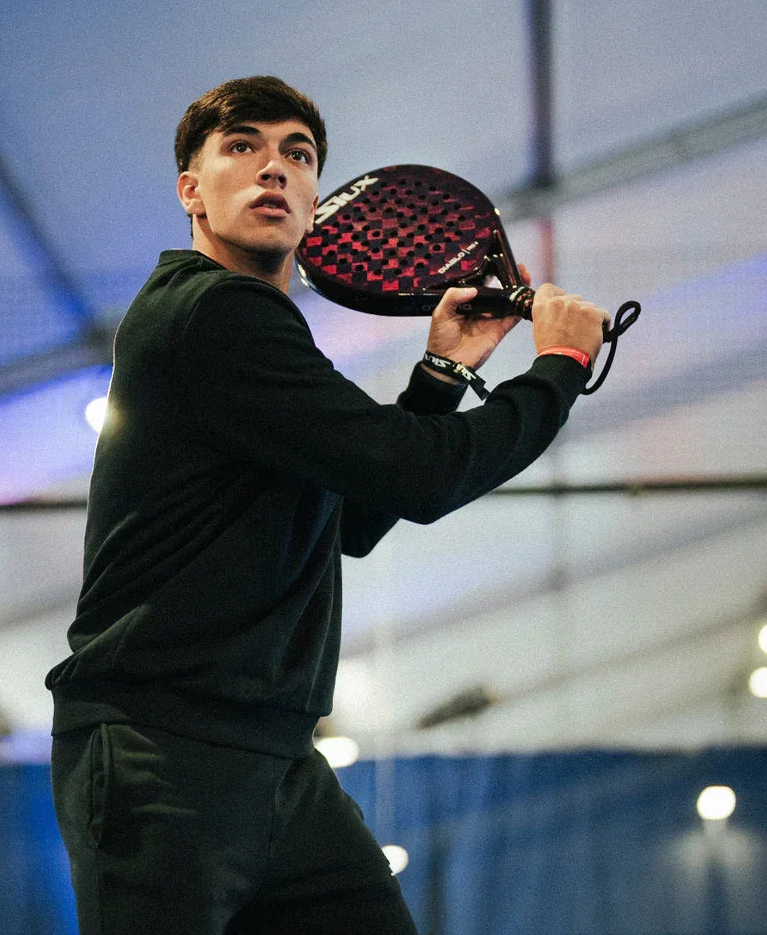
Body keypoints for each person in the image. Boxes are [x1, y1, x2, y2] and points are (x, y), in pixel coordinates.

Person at [46, 75, 607, 934]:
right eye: (243, 146)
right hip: (160, 751)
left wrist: (443, 372)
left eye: (298, 155)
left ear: (315, 203)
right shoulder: (211, 311)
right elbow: (420, 477)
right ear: (191, 191)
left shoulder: (251, 333)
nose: (274, 167)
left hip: (277, 761)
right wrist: (558, 370)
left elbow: (350, 519)